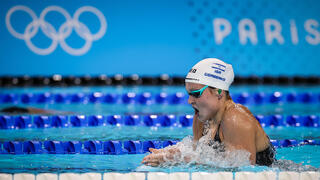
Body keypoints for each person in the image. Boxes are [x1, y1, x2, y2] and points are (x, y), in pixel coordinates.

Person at [142, 58, 275, 167]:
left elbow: (244, 169)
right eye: (189, 94)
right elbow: (197, 150)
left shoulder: (236, 119)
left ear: (218, 91)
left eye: (196, 94)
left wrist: (181, 159)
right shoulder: (201, 117)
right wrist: (170, 154)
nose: (189, 101)